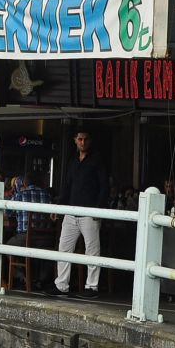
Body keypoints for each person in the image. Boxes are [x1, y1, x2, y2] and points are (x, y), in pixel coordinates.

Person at [46, 127, 110, 300]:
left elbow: (104, 185)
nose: (82, 142)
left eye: (85, 139)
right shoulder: (73, 161)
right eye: (80, 139)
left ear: (89, 141)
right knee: (64, 248)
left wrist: (99, 208)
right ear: (75, 140)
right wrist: (59, 208)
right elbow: (67, 186)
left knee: (92, 250)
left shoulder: (97, 159)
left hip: (90, 212)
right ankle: (61, 284)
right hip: (71, 211)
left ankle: (92, 286)